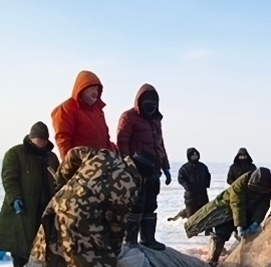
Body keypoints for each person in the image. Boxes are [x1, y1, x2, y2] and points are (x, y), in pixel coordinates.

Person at [32, 146, 140, 267]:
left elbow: (73, 152)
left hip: (59, 206)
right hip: (82, 218)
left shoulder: (104, 156)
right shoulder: (129, 185)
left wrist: (63, 177)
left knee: (75, 256)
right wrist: (113, 252)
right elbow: (117, 225)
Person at [0, 122, 58, 267]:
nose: (41, 143)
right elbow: (9, 178)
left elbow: (58, 178)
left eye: (43, 140)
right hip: (24, 206)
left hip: (46, 205)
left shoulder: (51, 157)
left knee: (43, 240)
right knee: (20, 242)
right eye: (38, 139)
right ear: (31, 137)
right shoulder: (15, 153)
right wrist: (15, 198)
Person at [116, 84, 172, 250]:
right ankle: (130, 240)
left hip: (153, 169)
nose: (150, 104)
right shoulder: (129, 117)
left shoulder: (156, 120)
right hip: (136, 170)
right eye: (146, 100)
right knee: (135, 204)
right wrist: (127, 164)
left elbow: (160, 144)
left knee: (150, 204)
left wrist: (166, 166)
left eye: (154, 101)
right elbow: (122, 141)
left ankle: (148, 238)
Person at [184, 166, 271, 267]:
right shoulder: (240, 184)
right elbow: (237, 204)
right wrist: (239, 225)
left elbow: (263, 206)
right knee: (222, 233)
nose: (257, 190)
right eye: (255, 188)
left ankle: (244, 263)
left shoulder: (267, 189)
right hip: (228, 210)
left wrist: (255, 222)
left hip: (248, 212)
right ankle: (213, 259)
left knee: (249, 238)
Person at [51, 70, 114, 157]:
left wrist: (114, 154)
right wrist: (69, 165)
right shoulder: (66, 109)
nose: (95, 92)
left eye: (97, 89)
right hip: (82, 165)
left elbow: (106, 139)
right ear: (82, 88)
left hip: (102, 163)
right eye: (92, 88)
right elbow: (63, 139)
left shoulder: (98, 111)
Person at [175, 148, 212, 219]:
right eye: (193, 155)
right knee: (191, 218)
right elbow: (181, 179)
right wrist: (187, 187)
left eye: (196, 155)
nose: (195, 157)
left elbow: (208, 175)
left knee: (206, 216)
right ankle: (191, 230)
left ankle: (208, 230)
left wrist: (206, 184)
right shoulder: (184, 168)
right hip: (191, 197)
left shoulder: (203, 166)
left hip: (203, 195)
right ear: (189, 156)